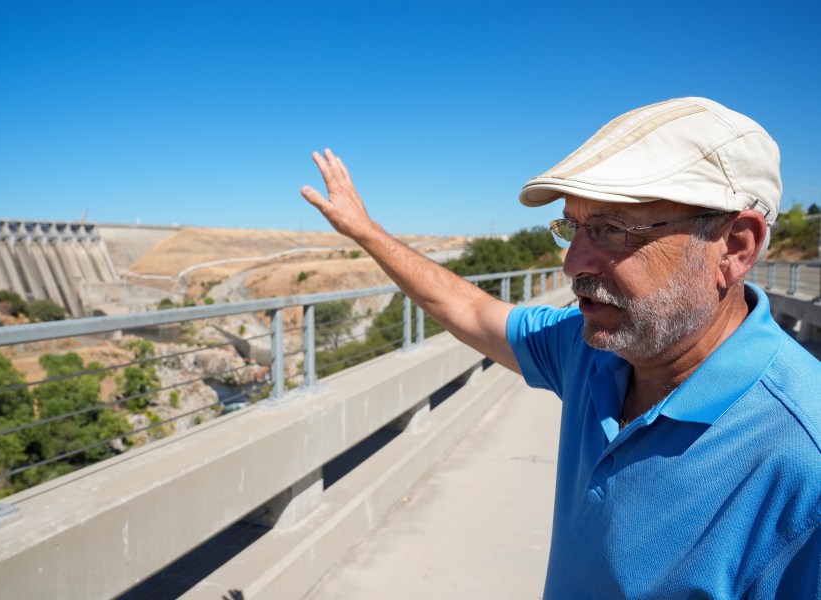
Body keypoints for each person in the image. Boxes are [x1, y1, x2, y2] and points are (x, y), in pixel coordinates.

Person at [300, 97, 821, 599]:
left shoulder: (803, 459)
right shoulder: (591, 352)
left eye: (613, 230)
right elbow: (473, 312)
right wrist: (366, 232)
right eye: (573, 228)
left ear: (735, 247)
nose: (572, 264)